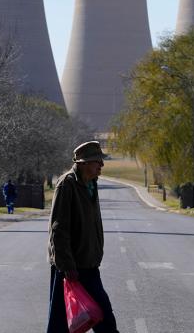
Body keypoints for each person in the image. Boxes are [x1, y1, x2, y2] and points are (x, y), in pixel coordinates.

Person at [46, 140, 118, 333]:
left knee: (103, 316)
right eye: (97, 161)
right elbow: (58, 230)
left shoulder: (91, 184)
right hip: (70, 268)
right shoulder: (67, 185)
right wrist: (68, 267)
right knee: (61, 324)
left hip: (89, 265)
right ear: (83, 163)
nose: (101, 165)